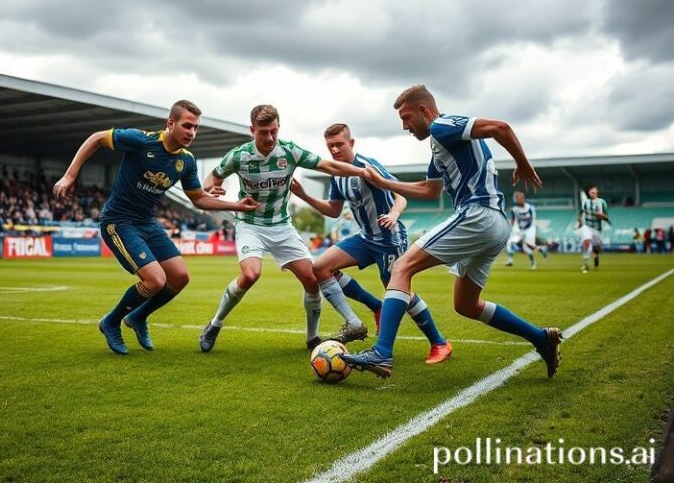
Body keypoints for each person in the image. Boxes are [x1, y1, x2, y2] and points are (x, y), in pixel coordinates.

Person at [340, 85, 562, 379]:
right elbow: (429, 190)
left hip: (477, 214)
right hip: (495, 224)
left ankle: (382, 353)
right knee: (466, 305)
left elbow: (501, 127)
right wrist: (384, 183)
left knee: (401, 268)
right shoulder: (440, 143)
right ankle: (541, 338)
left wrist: (522, 163)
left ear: (424, 110)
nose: (404, 126)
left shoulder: (442, 125)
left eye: (406, 118)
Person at [53, 100, 258, 355]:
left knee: (180, 277)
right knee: (155, 280)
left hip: (147, 222)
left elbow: (198, 199)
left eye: (196, 128)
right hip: (119, 221)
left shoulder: (186, 161)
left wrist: (237, 205)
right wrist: (70, 175)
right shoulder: (141, 141)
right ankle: (111, 321)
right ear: (170, 123)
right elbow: (96, 138)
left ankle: (137, 317)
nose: (191, 133)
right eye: (187, 126)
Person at [198, 105, 366, 352]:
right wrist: (210, 188)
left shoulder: (289, 151)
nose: (269, 138)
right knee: (251, 274)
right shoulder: (239, 156)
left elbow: (328, 166)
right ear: (252, 130)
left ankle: (312, 338)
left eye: (273, 131)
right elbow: (213, 177)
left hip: (281, 225)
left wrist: (362, 172)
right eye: (263, 132)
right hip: (250, 224)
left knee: (311, 280)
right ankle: (214, 324)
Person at [290, 123, 452, 364]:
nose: (334, 150)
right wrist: (303, 196)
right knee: (321, 267)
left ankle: (439, 343)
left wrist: (394, 215)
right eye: (330, 146)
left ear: (351, 143)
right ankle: (373, 308)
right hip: (366, 237)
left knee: (399, 289)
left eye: (339, 144)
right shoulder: (337, 175)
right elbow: (333, 211)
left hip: (389, 238)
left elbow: (400, 196)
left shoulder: (367, 166)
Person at [505, 191, 548, 269]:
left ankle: (535, 258)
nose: (520, 200)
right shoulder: (514, 209)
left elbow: (532, 219)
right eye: (518, 199)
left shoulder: (530, 208)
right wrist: (511, 228)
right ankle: (510, 260)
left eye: (521, 198)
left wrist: (526, 230)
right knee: (509, 242)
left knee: (527, 246)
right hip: (519, 230)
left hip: (529, 229)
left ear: (524, 198)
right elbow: (513, 219)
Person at [578, 186, 610, 273]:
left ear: (597, 192)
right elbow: (580, 214)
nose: (593, 193)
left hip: (597, 229)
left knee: (597, 248)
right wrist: (580, 222)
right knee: (587, 241)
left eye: (594, 192)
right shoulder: (586, 203)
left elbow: (607, 217)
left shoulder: (602, 202)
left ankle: (595, 256)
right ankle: (586, 263)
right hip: (587, 226)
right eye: (591, 192)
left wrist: (600, 215)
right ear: (589, 193)